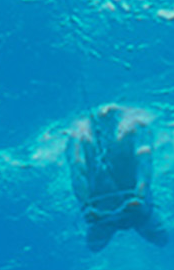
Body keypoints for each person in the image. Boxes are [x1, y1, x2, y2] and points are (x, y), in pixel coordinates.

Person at [67, 103, 168, 252]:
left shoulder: (137, 128)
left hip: (126, 206)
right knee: (93, 247)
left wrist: (139, 196)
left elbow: (144, 162)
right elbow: (77, 171)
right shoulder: (79, 136)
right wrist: (85, 205)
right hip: (105, 211)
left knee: (162, 240)